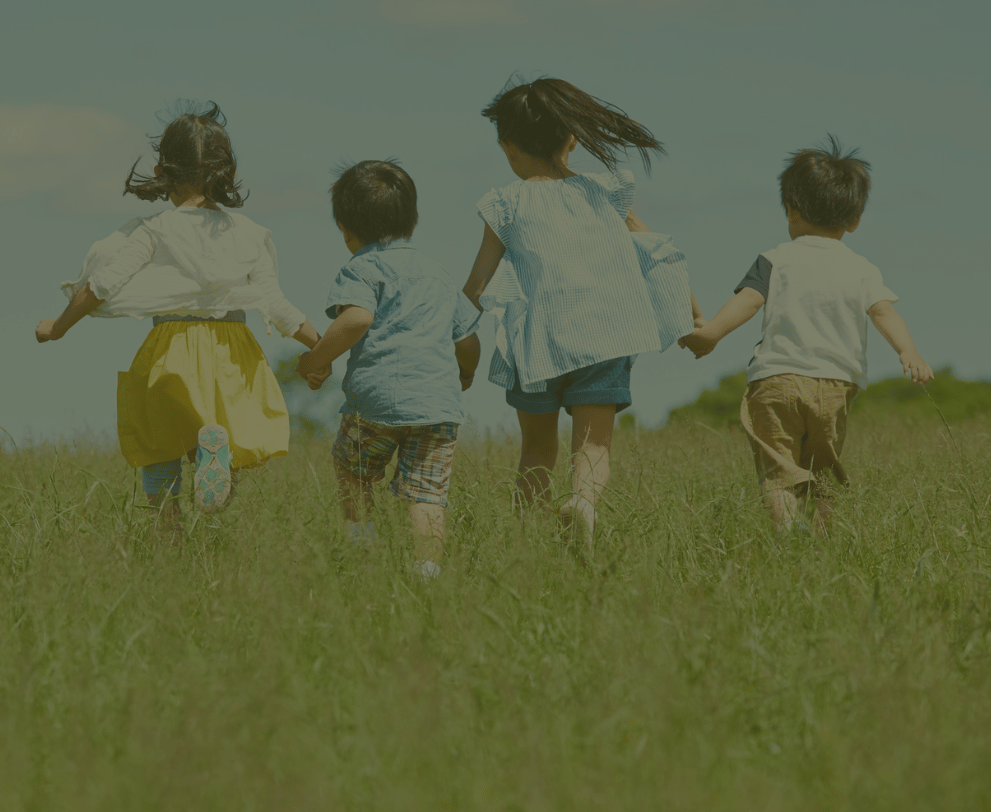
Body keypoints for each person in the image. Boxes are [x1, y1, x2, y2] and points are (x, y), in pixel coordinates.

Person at [35, 103, 325, 519]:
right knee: (222, 445)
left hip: (171, 349)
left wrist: (58, 327)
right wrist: (320, 348)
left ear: (162, 171)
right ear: (228, 171)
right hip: (233, 354)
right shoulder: (249, 234)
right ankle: (214, 460)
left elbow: (101, 285)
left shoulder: (154, 230)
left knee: (159, 448)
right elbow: (276, 305)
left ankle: (167, 533)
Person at [462, 77, 700, 557]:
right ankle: (583, 503)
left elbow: (477, 287)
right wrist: (693, 313)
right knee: (592, 447)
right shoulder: (606, 190)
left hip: (536, 343)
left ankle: (529, 544)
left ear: (507, 147)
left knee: (536, 451)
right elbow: (656, 249)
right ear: (572, 139)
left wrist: (464, 337)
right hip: (605, 336)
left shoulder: (505, 203)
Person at [680, 136, 933, 533]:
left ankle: (786, 538)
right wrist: (909, 351)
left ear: (791, 210)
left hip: (776, 379)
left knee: (779, 469)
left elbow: (748, 301)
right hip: (836, 384)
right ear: (854, 220)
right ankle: (821, 542)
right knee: (824, 469)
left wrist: (710, 333)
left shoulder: (775, 259)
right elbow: (883, 311)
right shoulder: (862, 268)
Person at [296, 160, 481, 581]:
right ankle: (426, 573)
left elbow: (357, 319)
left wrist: (314, 359)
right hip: (437, 406)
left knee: (353, 472)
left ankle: (363, 554)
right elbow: (467, 341)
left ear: (345, 229)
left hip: (374, 404)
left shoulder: (361, 269)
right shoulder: (438, 274)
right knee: (426, 495)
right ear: (411, 219)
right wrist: (465, 373)